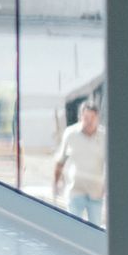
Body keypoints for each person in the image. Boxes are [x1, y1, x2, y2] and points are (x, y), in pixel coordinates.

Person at [48, 96, 106, 225]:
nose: (89, 122)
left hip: (96, 192)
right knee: (74, 227)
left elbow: (110, 165)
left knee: (95, 229)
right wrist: (55, 184)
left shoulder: (104, 137)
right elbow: (60, 161)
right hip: (75, 191)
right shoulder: (70, 134)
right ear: (81, 117)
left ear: (97, 119)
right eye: (86, 118)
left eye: (92, 118)